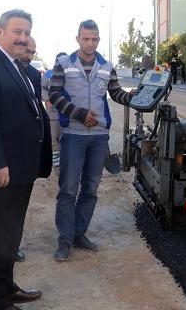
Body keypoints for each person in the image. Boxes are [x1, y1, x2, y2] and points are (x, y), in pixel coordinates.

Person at [0, 9, 52, 310]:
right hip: (3, 170)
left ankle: (7, 287)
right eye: (17, 31)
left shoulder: (17, 67)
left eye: (27, 33)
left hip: (22, 168)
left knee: (11, 233)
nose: (23, 38)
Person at [48, 19, 133, 262]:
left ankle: (78, 234)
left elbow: (116, 93)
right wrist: (79, 114)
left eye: (94, 39)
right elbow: (54, 94)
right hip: (73, 136)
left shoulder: (107, 66)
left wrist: (132, 97)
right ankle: (64, 240)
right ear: (77, 39)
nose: (90, 43)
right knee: (68, 189)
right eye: (85, 38)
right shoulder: (64, 64)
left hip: (98, 137)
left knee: (91, 188)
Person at [42, 52, 68, 169]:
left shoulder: (70, 74)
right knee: (54, 137)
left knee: (67, 137)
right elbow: (42, 88)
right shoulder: (48, 74)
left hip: (67, 111)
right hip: (53, 112)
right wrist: (47, 99)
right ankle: (56, 164)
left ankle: (67, 161)